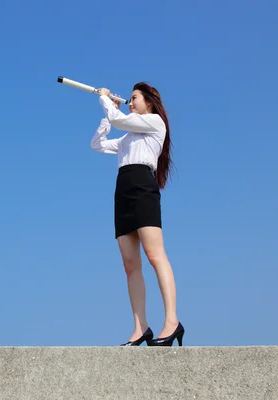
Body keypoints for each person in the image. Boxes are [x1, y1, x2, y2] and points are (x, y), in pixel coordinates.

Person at [90, 82, 184, 347]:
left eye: (134, 98)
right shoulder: (127, 138)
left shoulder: (154, 123)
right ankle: (140, 327)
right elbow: (97, 145)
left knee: (155, 256)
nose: (130, 103)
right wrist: (107, 114)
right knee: (130, 265)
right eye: (128, 99)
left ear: (149, 102)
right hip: (123, 190)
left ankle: (172, 321)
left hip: (143, 187)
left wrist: (107, 101)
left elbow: (120, 119)